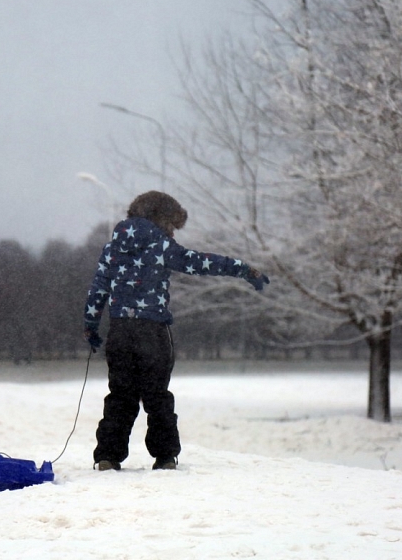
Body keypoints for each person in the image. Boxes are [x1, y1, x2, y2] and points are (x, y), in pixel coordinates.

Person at [83, 190, 269, 471]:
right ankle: (165, 457)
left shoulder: (112, 249)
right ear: (159, 217)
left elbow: (98, 290)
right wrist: (244, 270)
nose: (172, 232)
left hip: (120, 332)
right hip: (153, 333)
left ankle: (108, 456)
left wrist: (90, 326)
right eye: (171, 225)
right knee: (157, 395)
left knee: (120, 396)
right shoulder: (161, 247)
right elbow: (201, 263)